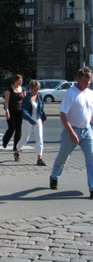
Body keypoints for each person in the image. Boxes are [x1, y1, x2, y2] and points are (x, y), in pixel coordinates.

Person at [49, 67, 93, 199]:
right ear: (77, 79)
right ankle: (54, 176)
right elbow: (63, 114)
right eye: (85, 80)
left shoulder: (90, 93)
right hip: (71, 130)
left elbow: (90, 113)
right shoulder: (70, 93)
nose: (88, 83)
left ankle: (92, 188)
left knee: (91, 159)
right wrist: (71, 132)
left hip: (87, 131)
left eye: (89, 80)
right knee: (63, 156)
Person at [14, 80, 47, 165]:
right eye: (35, 89)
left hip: (38, 119)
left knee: (39, 138)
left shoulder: (39, 96)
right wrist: (31, 120)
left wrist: (43, 118)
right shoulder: (26, 98)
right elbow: (24, 111)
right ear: (31, 89)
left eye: (38, 89)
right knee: (25, 138)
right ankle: (17, 151)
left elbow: (41, 108)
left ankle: (39, 158)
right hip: (28, 120)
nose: (37, 91)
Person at [2, 74, 26, 151]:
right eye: (20, 80)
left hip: (20, 111)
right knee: (12, 127)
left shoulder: (23, 89)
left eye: (22, 80)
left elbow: (25, 101)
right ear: (15, 81)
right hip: (11, 111)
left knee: (19, 129)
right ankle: (5, 140)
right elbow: (6, 102)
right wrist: (7, 111)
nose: (21, 81)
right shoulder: (9, 90)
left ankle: (16, 147)